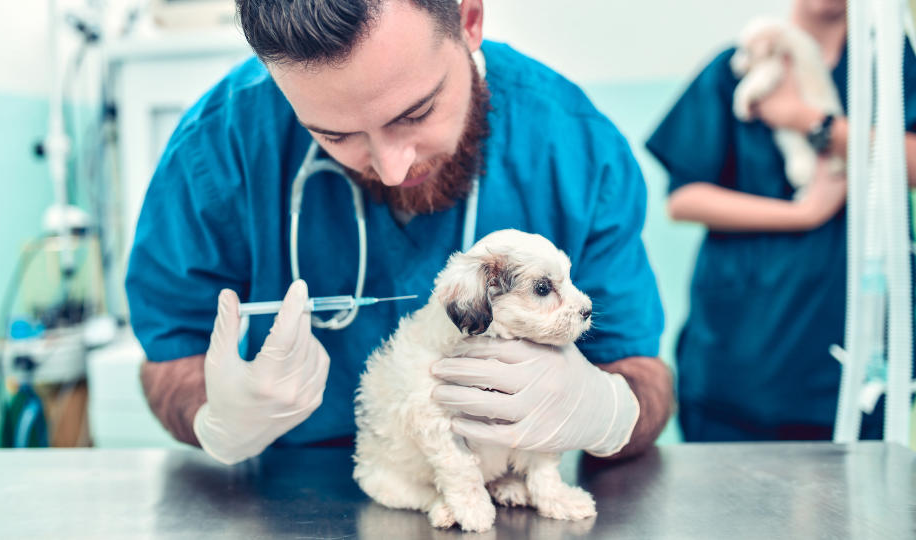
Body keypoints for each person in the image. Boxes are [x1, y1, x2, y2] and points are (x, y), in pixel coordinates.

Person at [126, 0, 673, 465]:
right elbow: (170, 358)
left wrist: (607, 412)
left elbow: (641, 371)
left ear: (469, 20)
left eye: (415, 114)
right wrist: (214, 416)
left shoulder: (575, 148)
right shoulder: (220, 147)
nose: (391, 168)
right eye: (335, 136)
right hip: (291, 496)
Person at [646, 0, 916, 442]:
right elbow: (683, 198)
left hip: (847, 354)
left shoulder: (887, 69)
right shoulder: (736, 68)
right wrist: (802, 214)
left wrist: (806, 118)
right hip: (740, 356)